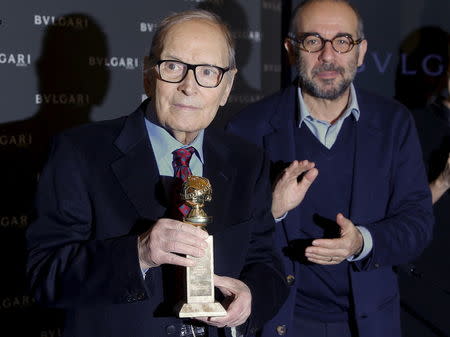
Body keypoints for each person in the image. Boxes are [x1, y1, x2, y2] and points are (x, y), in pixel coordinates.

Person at [26, 10, 287, 337]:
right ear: (149, 74)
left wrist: (251, 298)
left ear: (226, 86)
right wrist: (138, 253)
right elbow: (44, 276)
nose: (189, 87)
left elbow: (267, 265)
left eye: (208, 72)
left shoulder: (248, 161)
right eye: (174, 67)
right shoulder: (78, 153)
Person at [228, 1, 433, 337]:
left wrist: (361, 243)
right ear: (291, 51)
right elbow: (226, 238)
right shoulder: (248, 128)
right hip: (278, 321)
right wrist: (272, 209)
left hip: (369, 325)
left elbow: (418, 223)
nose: (327, 56)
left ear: (361, 51)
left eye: (342, 42)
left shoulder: (394, 123)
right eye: (312, 41)